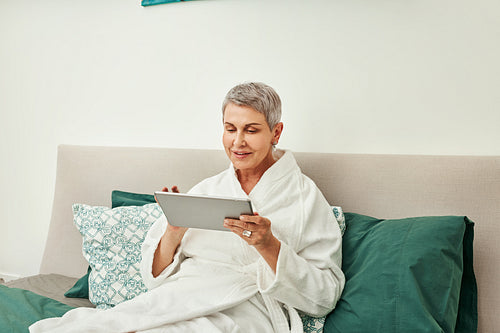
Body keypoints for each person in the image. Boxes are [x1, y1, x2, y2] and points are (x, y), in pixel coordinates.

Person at [30, 82, 345, 333]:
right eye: (230, 128)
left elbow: (324, 296)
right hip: (184, 297)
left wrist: (269, 245)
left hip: (247, 308)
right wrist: (174, 230)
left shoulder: (305, 198)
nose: (238, 142)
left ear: (276, 132)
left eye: (251, 130)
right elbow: (155, 277)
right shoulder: (208, 189)